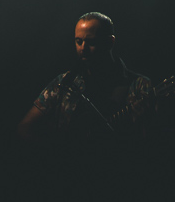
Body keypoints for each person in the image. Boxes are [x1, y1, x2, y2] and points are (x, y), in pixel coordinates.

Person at [17, 12, 154, 147]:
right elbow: (25, 128)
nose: (83, 48)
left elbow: (150, 139)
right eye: (78, 41)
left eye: (91, 42)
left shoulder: (138, 86)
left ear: (110, 42)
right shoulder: (66, 82)